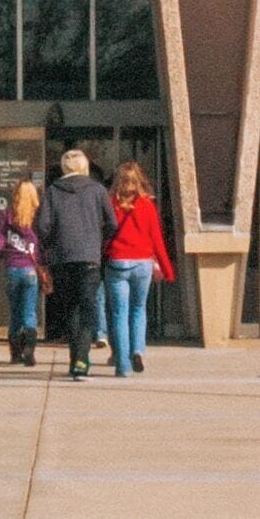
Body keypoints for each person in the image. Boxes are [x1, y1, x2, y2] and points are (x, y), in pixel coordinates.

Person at [33, 146, 118, 379]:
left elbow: (41, 226)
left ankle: (76, 360)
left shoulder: (52, 191)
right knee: (88, 308)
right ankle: (81, 360)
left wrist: (52, 244)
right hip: (89, 257)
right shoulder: (98, 190)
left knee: (71, 309)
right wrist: (98, 240)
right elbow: (112, 223)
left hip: (62, 258)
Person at [101, 161, 173, 376]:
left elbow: (104, 233)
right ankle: (138, 350)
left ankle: (122, 365)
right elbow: (157, 240)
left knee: (119, 313)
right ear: (139, 179)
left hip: (117, 262)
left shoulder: (111, 203)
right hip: (143, 263)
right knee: (138, 310)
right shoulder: (147, 205)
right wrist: (167, 270)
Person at [0, 178, 44, 364]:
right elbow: (43, 243)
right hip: (30, 270)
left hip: (13, 269)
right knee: (29, 313)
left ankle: (15, 354)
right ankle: (29, 351)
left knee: (15, 313)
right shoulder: (38, 217)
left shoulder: (6, 215)